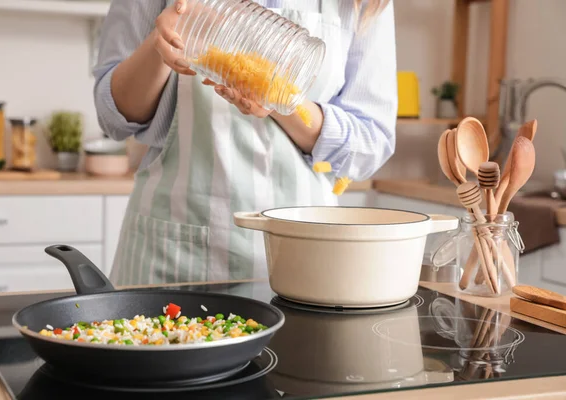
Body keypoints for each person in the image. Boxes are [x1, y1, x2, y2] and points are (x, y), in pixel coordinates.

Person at [93, 0, 397, 286]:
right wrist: (163, 42)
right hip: (171, 256)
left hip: (301, 260)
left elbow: (371, 143)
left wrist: (278, 96)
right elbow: (112, 117)